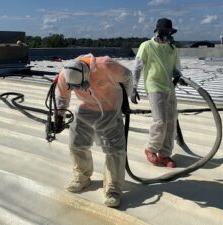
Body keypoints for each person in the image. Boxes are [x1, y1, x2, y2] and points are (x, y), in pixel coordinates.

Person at [54, 54, 133, 208]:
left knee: (114, 150)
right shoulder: (65, 74)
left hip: (110, 109)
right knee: (76, 144)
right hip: (86, 109)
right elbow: (62, 96)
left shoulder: (107, 65)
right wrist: (59, 116)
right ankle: (82, 177)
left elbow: (128, 76)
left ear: (87, 73)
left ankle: (113, 189)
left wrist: (125, 99)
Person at [130, 18, 185, 168]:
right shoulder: (147, 46)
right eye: (165, 33)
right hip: (154, 87)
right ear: (158, 32)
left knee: (171, 120)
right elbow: (137, 67)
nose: (168, 36)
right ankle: (151, 149)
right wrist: (133, 88)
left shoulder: (172, 49)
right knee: (160, 120)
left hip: (169, 88)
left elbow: (175, 68)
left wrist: (179, 76)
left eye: (170, 33)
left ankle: (165, 154)